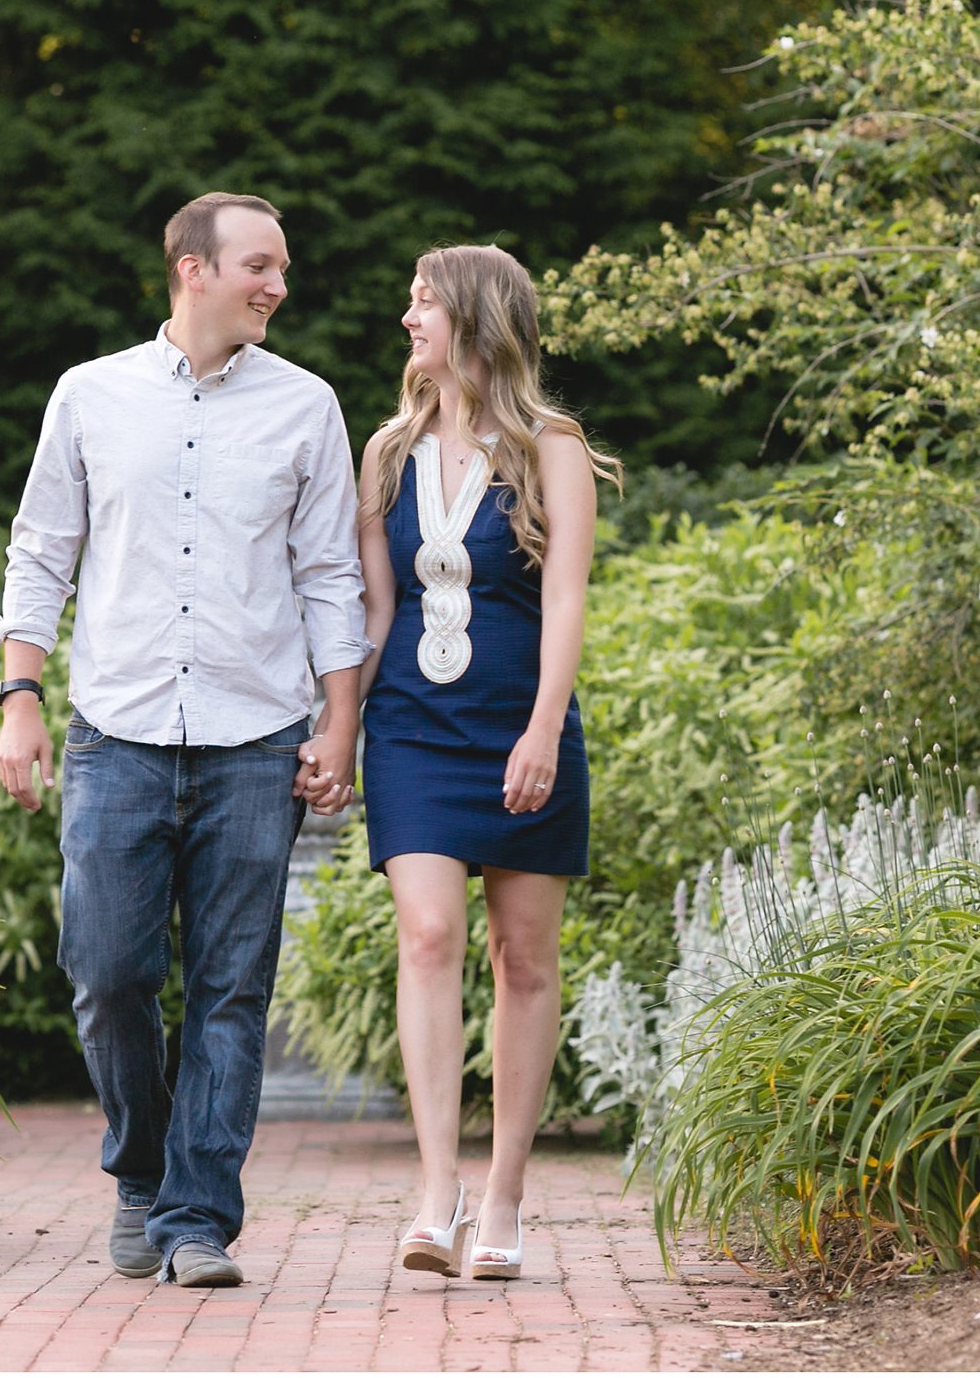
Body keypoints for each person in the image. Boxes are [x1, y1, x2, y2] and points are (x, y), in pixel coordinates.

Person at [0, 192, 367, 1288]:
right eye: (260, 265)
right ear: (191, 270)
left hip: (257, 738)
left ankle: (196, 1219)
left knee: (230, 990)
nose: (279, 286)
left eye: (283, 269)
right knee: (105, 975)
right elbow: (39, 553)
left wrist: (337, 722)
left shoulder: (305, 407)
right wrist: (20, 696)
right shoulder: (89, 397)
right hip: (117, 733)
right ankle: (140, 1172)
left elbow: (329, 579)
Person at [354, 244, 620, 1281]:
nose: (406, 319)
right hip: (412, 730)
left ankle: (504, 1191)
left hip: (522, 719)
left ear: (472, 318)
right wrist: (336, 726)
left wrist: (544, 729)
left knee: (523, 959)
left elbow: (564, 599)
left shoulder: (551, 445)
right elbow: (377, 611)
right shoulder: (383, 452)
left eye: (421, 303)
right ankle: (436, 1190)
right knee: (425, 935)